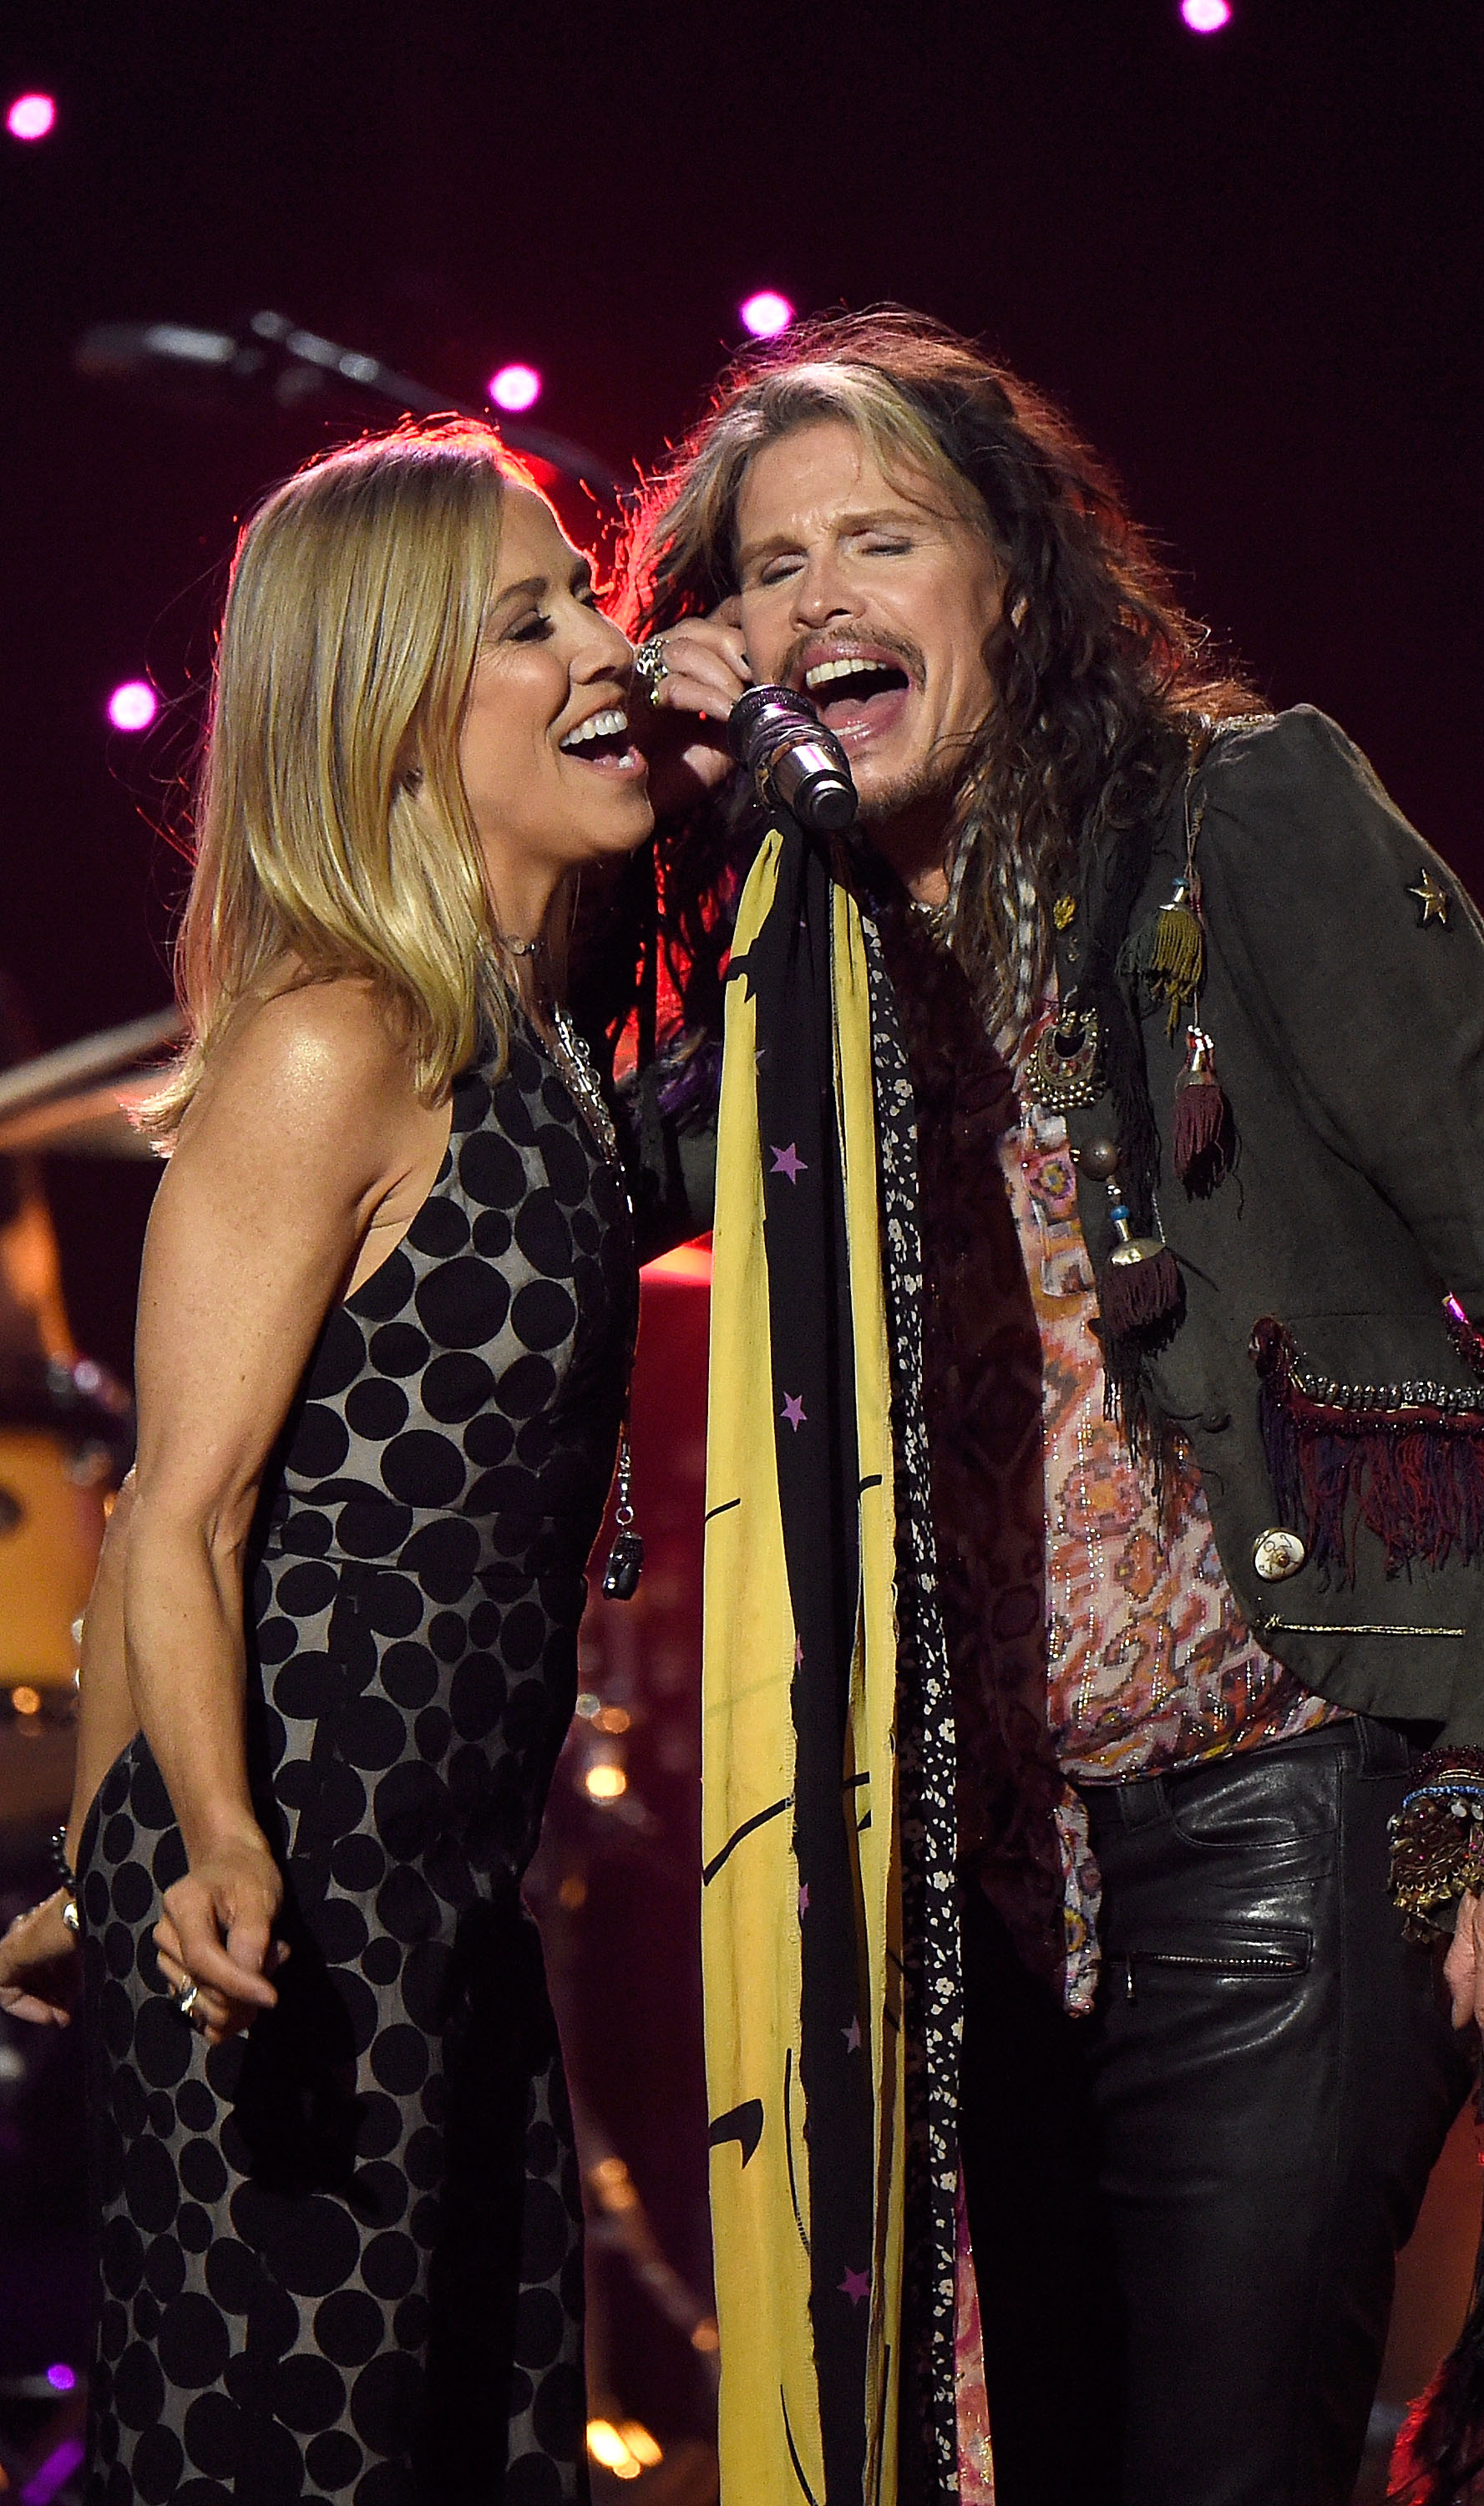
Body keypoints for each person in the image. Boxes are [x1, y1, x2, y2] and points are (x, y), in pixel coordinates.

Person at [619, 313, 1484, 2506]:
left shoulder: (1237, 818)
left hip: (1278, 1799)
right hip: (975, 1881)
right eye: (766, 568)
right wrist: (650, 807)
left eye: (877, 541)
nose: (814, 602)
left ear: (1009, 580)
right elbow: (580, 1188)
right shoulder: (797, 948)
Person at [0, 418, 657, 2506]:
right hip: (294, 1916)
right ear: (387, 721)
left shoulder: (540, 1060)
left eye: (587, 597)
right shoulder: (333, 1041)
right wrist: (182, 1844)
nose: (606, 648)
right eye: (528, 623)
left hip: (444, 1913)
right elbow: (179, 1515)